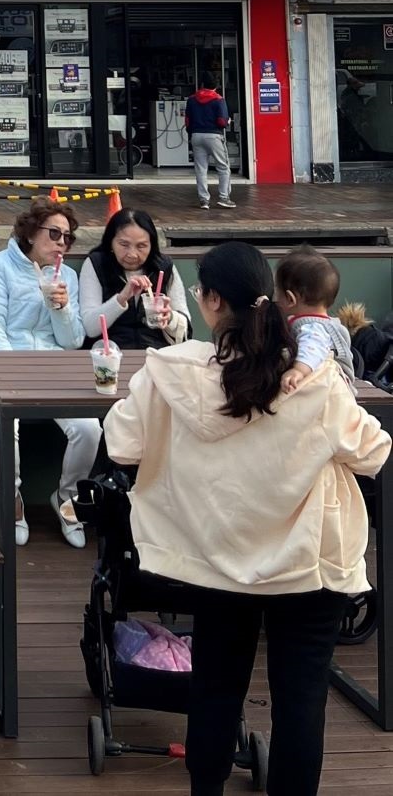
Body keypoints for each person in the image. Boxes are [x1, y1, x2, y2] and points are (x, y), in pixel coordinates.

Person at [102, 241, 390, 796]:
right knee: (302, 701)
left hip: (216, 559)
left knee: (214, 689)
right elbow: (374, 452)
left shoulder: (169, 373)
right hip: (309, 563)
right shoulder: (317, 380)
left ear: (210, 301)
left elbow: (121, 443)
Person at [0, 201, 96, 548]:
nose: (61, 243)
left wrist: (61, 308)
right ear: (30, 233)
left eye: (68, 238)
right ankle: (11, 500)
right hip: (5, 369)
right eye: (54, 233)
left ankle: (67, 499)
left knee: (89, 428)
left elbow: (72, 341)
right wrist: (17, 375)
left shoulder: (67, 276)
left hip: (54, 369)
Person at [78, 208, 189, 352]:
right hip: (109, 354)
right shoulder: (96, 264)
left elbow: (185, 327)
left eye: (141, 246)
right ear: (111, 242)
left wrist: (169, 318)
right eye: (124, 245)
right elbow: (90, 328)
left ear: (152, 245)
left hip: (157, 353)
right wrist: (121, 298)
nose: (132, 254)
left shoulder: (164, 267)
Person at [276, 245, 356, 392]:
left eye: (278, 293)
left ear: (290, 298)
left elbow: (312, 347)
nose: (276, 299)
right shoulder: (325, 323)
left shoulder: (312, 327)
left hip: (332, 395)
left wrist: (298, 371)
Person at [188, 74, 235, 210]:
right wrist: (227, 122)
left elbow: (188, 121)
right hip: (214, 135)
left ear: (202, 84)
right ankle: (224, 197)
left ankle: (204, 200)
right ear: (216, 86)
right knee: (223, 167)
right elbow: (222, 121)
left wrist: (192, 133)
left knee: (201, 169)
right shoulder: (219, 99)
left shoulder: (191, 99)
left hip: (196, 135)